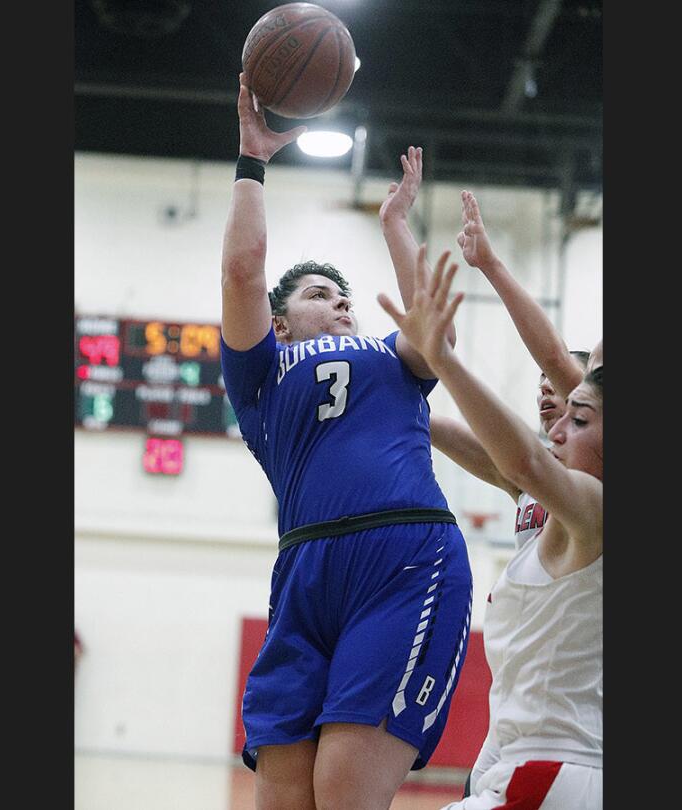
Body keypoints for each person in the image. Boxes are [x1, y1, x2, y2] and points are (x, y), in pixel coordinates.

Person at [220, 74, 474, 810]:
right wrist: (251, 163)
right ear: (282, 321)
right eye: (318, 296)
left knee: (343, 794)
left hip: (403, 556)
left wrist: (397, 226)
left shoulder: (394, 356)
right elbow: (242, 269)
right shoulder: (262, 373)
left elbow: (437, 333)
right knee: (283, 800)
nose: (340, 304)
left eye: (344, 296)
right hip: (304, 572)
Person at [378, 247, 603, 810]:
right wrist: (381, 401)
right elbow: (508, 456)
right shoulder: (542, 485)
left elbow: (526, 450)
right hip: (524, 732)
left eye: (578, 415)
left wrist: (444, 354)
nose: (558, 415)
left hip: (559, 751)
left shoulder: (588, 498)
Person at [379, 155, 588, 552]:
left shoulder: (593, 469)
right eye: (540, 385)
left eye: (556, 387)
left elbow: (556, 360)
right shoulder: (535, 477)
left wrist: (490, 266)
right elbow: (474, 445)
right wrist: (385, 403)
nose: (545, 389)